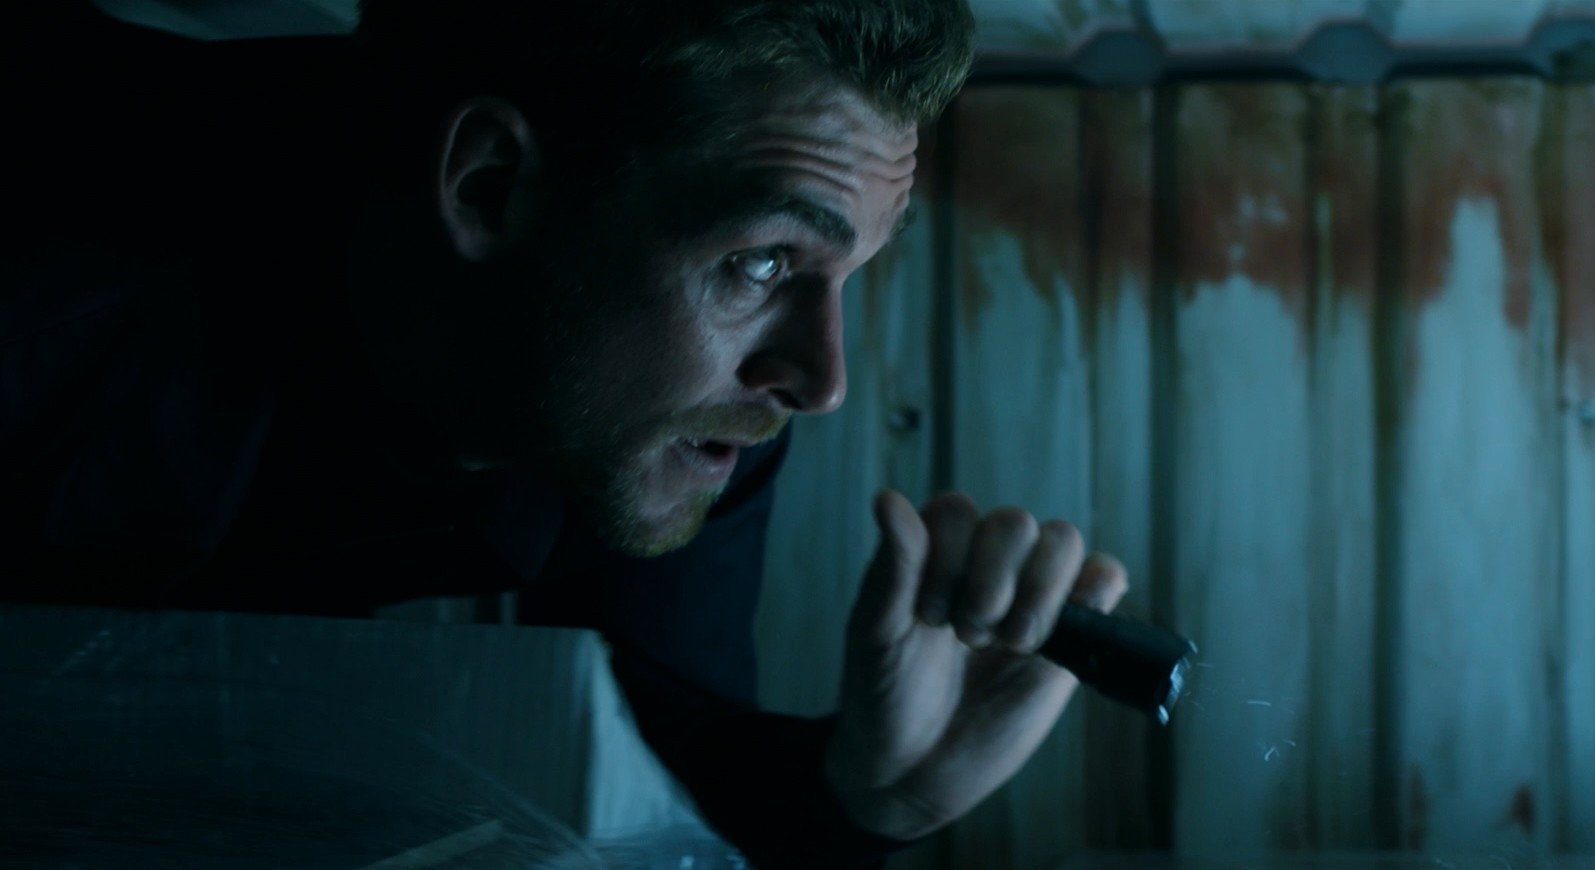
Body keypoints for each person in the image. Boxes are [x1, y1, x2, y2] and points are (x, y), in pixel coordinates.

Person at [0, 1, 1130, 867]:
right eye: (762, 261)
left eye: (850, 272)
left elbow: (659, 765)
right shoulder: (50, 282)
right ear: (491, 187)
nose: (819, 380)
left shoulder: (675, 408)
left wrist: (860, 794)